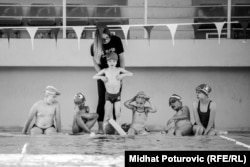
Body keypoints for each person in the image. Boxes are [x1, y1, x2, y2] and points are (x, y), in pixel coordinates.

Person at [90, 27, 125, 134]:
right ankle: (101, 128)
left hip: (116, 75)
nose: (105, 41)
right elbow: (95, 63)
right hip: (104, 74)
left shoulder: (116, 40)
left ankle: (115, 128)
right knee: (101, 100)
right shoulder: (94, 46)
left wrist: (122, 74)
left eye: (107, 38)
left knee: (115, 100)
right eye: (102, 39)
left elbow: (122, 58)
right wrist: (102, 75)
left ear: (110, 35)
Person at [93, 52, 133, 134]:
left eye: (114, 61)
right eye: (110, 61)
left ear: (116, 62)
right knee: (108, 115)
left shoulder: (119, 70)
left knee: (118, 114)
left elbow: (131, 73)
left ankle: (118, 131)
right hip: (108, 96)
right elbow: (94, 76)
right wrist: (101, 77)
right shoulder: (105, 70)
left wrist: (123, 75)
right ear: (107, 62)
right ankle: (107, 130)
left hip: (117, 95)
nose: (112, 63)